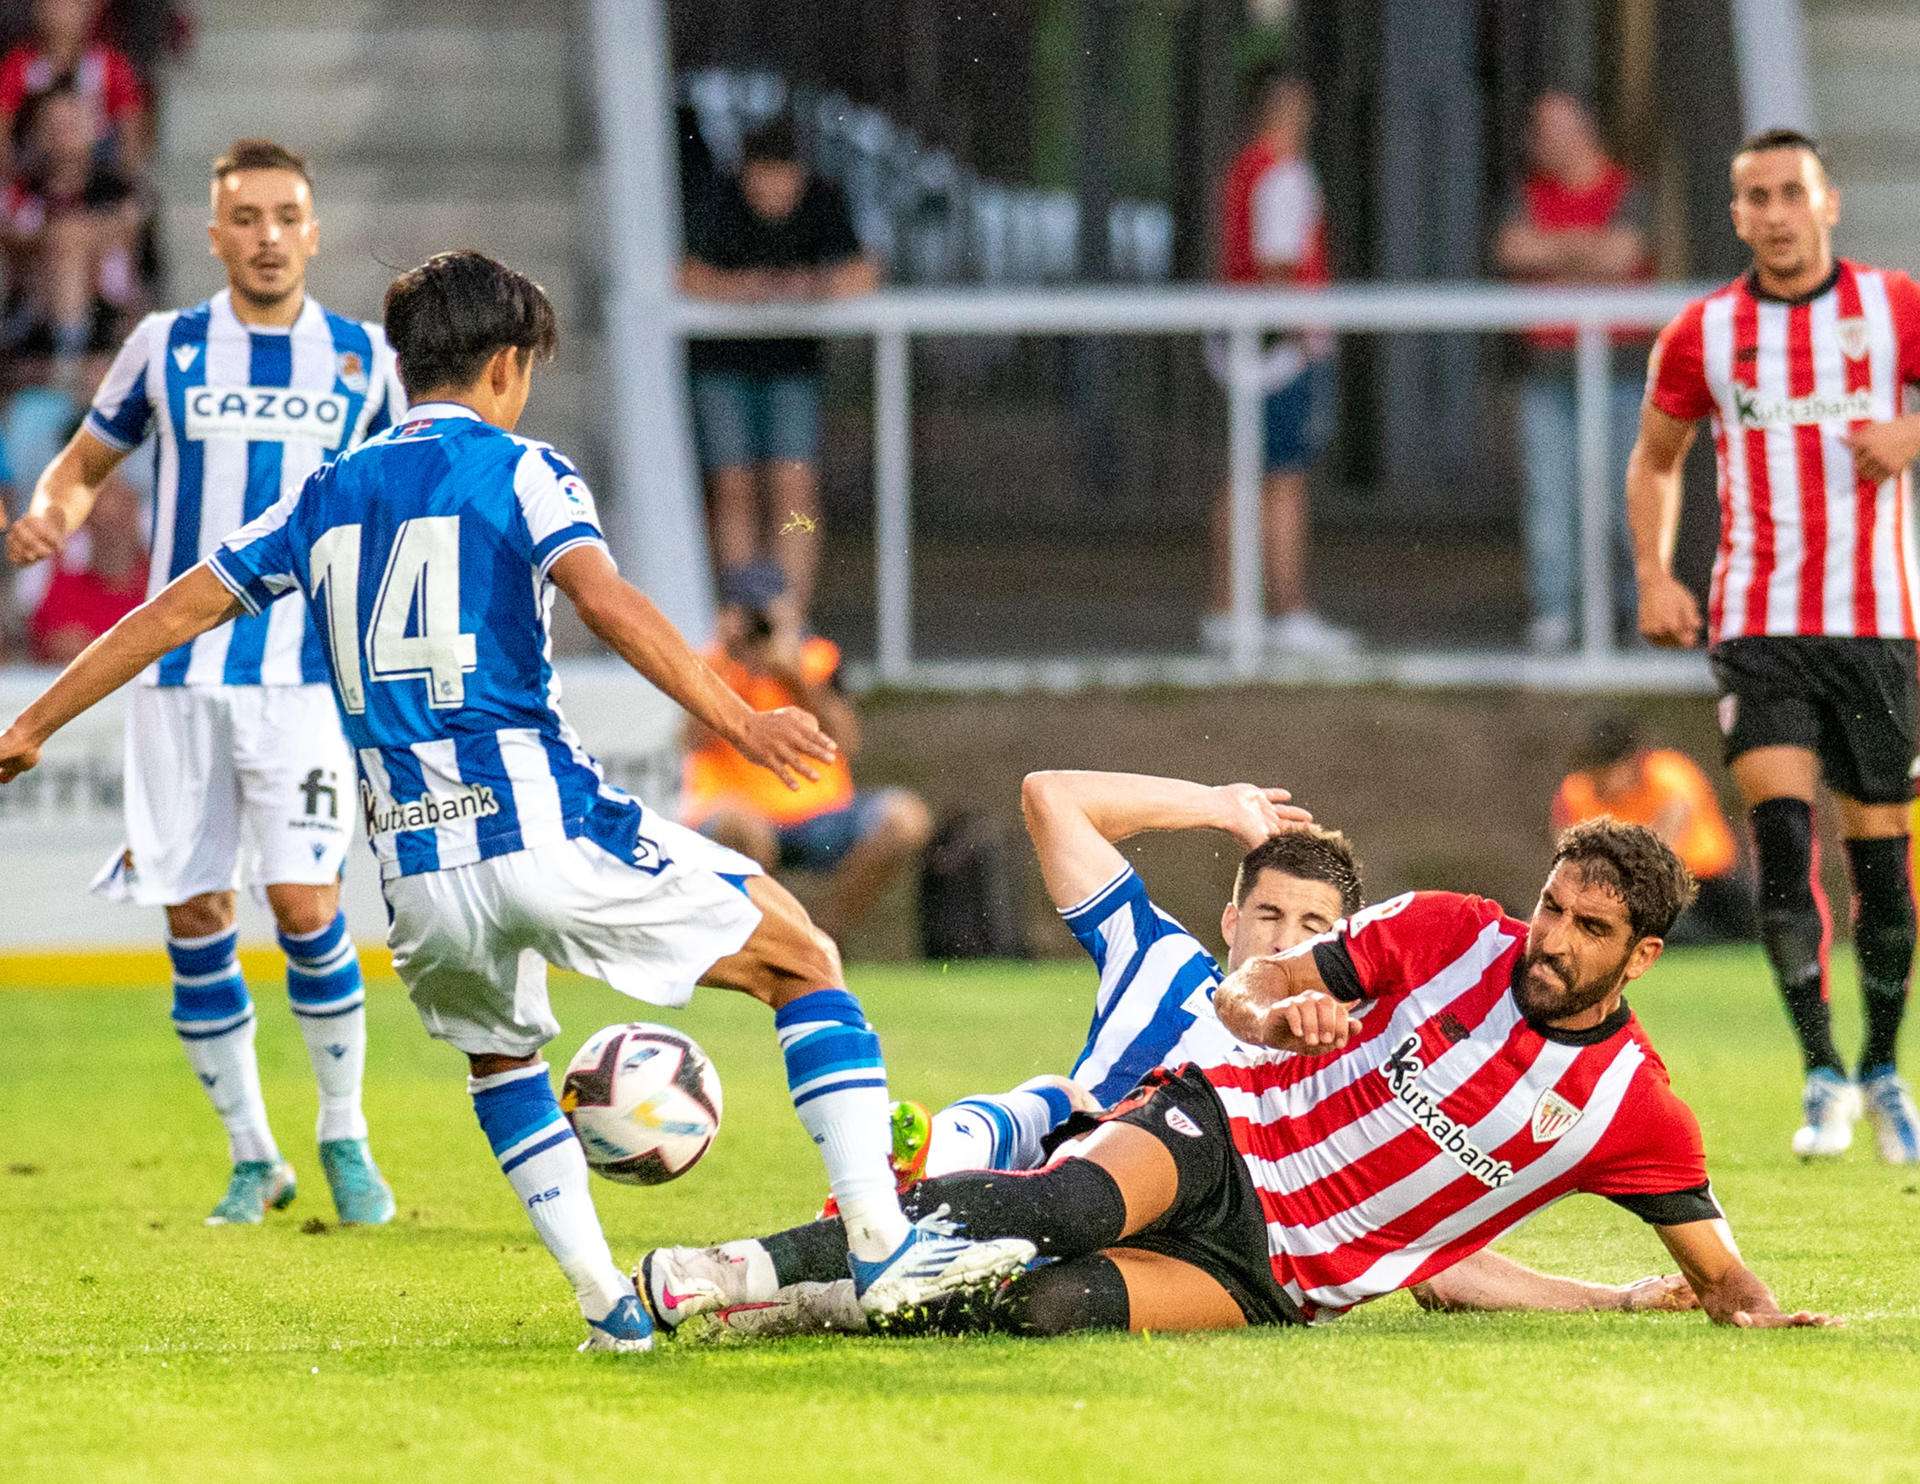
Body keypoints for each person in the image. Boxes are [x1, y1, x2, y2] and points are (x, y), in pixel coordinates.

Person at [0, 249, 1036, 1354]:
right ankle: (882, 1244)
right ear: (505, 365)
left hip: (414, 872)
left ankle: (609, 1307)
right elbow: (609, 598)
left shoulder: (325, 493)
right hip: (541, 824)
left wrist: (27, 725)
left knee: (503, 1061)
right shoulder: (523, 468)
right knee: (802, 956)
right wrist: (742, 716)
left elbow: (168, 615)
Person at [648, 820, 1836, 1338]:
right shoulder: (1442, 930)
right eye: (1551, 905)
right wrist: (1281, 1010)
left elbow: (1724, 1278)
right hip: (1230, 1123)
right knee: (1062, 1206)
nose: (1552, 937)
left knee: (1047, 1305)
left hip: (1279, 1276)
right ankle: (725, 1269)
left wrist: (1752, 1313)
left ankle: (813, 1301)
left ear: (1643, 956)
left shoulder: (1636, 1110)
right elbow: (1238, 994)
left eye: (1588, 927)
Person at [1, 138, 405, 1227]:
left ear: (313, 232)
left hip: (305, 678)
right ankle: (251, 1151)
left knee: (309, 905)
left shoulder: (367, 363)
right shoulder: (164, 348)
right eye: (248, 217)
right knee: (194, 911)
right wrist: (52, 511)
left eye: (287, 216)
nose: (268, 236)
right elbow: (84, 465)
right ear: (215, 232)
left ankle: (343, 1131)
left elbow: (404, 505)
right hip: (175, 674)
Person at [1630, 127, 1920, 1163]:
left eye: (1791, 192)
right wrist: (1656, 572)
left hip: (1878, 621)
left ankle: (1884, 1064)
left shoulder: (1891, 308)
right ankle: (1820, 1071)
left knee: (1882, 861)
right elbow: (1657, 459)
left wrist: (1911, 433)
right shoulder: (1706, 331)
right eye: (1754, 196)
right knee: (1783, 841)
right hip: (1758, 620)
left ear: (1828, 203)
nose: (1774, 213)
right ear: (1737, 213)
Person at [681, 118, 879, 616]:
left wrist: (809, 287)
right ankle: (745, 615)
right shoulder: (720, 201)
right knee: (734, 487)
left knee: (794, 489)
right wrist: (747, 290)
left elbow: (864, 271)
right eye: (762, 178)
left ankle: (789, 612)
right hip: (724, 369)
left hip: (792, 371)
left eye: (783, 178)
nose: (773, 191)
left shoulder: (823, 201)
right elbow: (689, 274)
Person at [684, 560, 932, 944]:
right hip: (741, 815)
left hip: (821, 814)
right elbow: (691, 739)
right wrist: (732, 664)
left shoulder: (816, 657)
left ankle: (823, 939)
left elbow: (846, 742)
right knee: (748, 836)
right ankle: (767, 946)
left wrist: (792, 675)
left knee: (905, 818)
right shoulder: (711, 661)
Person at [1494, 92, 1654, 653]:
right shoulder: (1528, 195)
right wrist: (1588, 252)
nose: (1537, 141)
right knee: (1550, 500)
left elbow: (1626, 255)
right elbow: (1512, 251)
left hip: (1620, 373)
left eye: (1547, 128)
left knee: (1624, 501)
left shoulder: (1627, 191)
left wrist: (1555, 254)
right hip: (1549, 375)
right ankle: (1556, 617)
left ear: (1581, 130)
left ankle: (1638, 615)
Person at [1206, 71, 1355, 658]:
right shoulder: (1283, 174)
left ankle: (1227, 609)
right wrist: (1303, 333)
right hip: (1278, 352)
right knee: (1282, 482)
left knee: (1244, 479)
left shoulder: (1246, 169)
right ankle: (1287, 610)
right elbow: (1277, 264)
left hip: (1248, 346)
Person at [1552, 713, 1753, 943]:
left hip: (1705, 886)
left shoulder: (1667, 775)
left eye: (1606, 771)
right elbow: (1568, 863)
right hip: (1619, 895)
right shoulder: (1575, 792)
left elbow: (1659, 856)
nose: (1598, 782)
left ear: (1630, 762)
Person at [1, 83, 144, 381]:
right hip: (31, 333)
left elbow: (133, 262)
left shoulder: (120, 193)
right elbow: (15, 245)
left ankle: (71, 360)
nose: (64, 133)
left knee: (72, 237)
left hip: (104, 334)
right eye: (53, 124)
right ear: (37, 134)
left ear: (95, 128)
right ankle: (67, 362)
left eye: (73, 123)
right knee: (65, 238)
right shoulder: (18, 194)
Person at [0, 0, 149, 182]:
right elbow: (3, 133)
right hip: (37, 173)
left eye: (70, 5)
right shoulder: (18, 65)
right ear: (38, 10)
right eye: (53, 5)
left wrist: (122, 184)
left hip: (96, 173)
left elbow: (131, 137)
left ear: (89, 11)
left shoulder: (112, 65)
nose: (61, 14)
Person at [22, 459, 144, 661]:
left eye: (121, 504)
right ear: (85, 518)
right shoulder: (45, 574)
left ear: (133, 508)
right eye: (101, 504)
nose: (112, 516)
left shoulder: (167, 579)